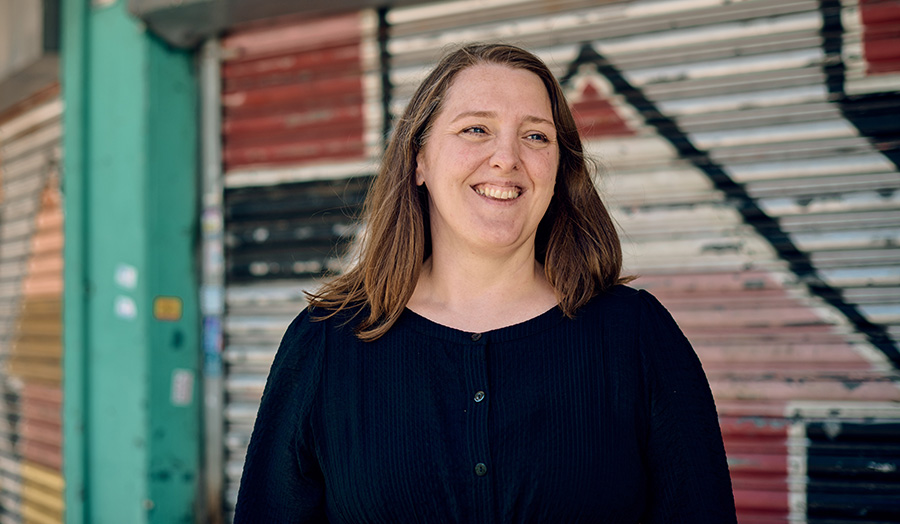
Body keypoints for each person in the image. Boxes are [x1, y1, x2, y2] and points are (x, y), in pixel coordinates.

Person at [235, 43, 736, 523]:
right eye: (476, 129)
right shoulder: (326, 343)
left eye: (535, 136)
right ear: (419, 160)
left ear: (559, 169)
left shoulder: (636, 336)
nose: (506, 158)